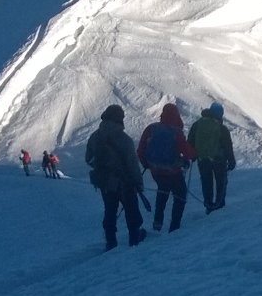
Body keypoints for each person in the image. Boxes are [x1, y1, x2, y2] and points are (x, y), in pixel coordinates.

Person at [86, 105, 145, 249]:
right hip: (125, 182)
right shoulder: (124, 139)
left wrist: (102, 169)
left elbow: (89, 159)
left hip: (105, 182)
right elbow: (132, 164)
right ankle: (134, 239)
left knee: (110, 210)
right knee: (131, 210)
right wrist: (138, 183)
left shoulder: (95, 137)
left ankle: (111, 242)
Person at [137, 103, 196, 232]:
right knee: (180, 195)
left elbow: (140, 149)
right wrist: (192, 155)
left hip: (156, 170)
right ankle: (175, 226)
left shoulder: (151, 128)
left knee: (162, 191)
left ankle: (157, 223)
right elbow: (187, 152)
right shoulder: (176, 132)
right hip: (173, 170)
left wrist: (146, 163)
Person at [188, 101, 236, 213]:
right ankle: (219, 205)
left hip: (202, 159)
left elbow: (190, 141)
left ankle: (209, 205)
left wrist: (193, 155)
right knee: (221, 182)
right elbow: (227, 146)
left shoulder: (197, 125)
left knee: (206, 182)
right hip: (219, 160)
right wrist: (231, 161)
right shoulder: (221, 128)